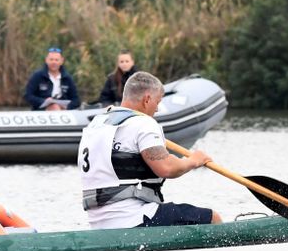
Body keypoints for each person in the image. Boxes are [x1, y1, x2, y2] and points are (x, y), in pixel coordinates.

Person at [79, 71, 222, 229]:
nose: (157, 109)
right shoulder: (142, 123)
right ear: (147, 99)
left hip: (98, 222)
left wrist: (184, 161)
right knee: (212, 218)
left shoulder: (97, 124)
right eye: (157, 102)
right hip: (132, 217)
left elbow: (153, 158)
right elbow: (166, 168)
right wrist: (194, 161)